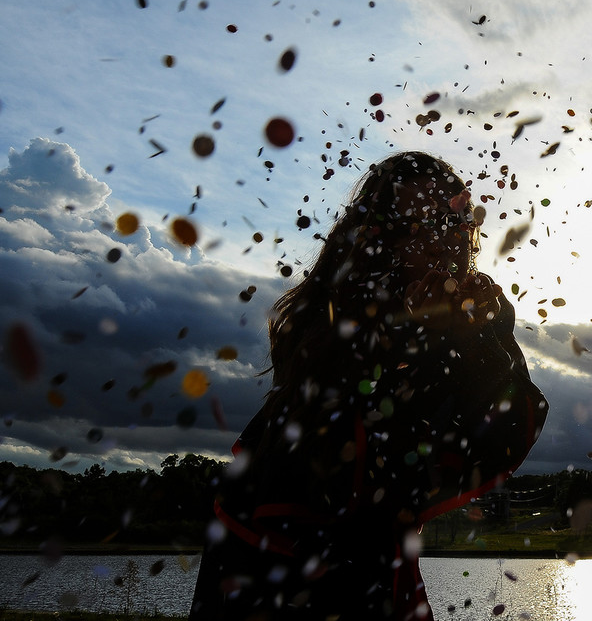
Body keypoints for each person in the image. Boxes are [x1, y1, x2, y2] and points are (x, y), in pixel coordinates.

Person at [190, 151, 548, 620]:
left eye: (450, 221)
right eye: (411, 223)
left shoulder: (469, 322)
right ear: (375, 234)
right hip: (274, 562)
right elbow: (355, 437)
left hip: (377, 572)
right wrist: (429, 336)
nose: (436, 239)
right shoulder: (336, 318)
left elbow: (511, 433)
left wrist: (485, 337)